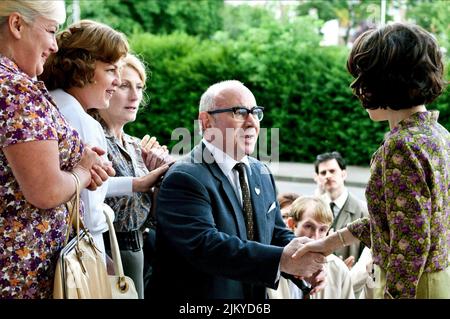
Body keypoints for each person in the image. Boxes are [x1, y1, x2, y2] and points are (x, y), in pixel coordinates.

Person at [293, 23, 449, 299]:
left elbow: (411, 241)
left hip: (412, 289)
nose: (358, 88)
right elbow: (396, 220)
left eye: (364, 77)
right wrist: (330, 242)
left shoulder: (401, 146)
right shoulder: (438, 135)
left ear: (385, 80)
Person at [151, 80, 326, 299]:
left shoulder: (260, 171)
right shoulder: (184, 177)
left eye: (255, 112)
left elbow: (274, 233)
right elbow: (207, 247)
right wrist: (282, 259)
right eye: (239, 112)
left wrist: (305, 260)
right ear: (206, 122)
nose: (252, 122)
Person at [0, 1, 111, 298]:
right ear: (16, 25)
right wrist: (83, 172)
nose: (53, 45)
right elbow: (45, 191)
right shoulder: (16, 89)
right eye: (50, 31)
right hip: (21, 278)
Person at [39, 20, 130, 260]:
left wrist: (137, 184)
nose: (118, 81)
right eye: (111, 70)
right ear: (82, 68)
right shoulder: (82, 122)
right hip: (83, 254)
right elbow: (89, 213)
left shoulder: (51, 102)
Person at [93, 53, 173, 299]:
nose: (136, 95)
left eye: (139, 87)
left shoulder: (137, 146)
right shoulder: (90, 137)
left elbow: (152, 218)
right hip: (106, 251)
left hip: (139, 251)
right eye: (124, 86)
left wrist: (159, 179)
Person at [270, 196, 355, 299]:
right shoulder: (275, 265)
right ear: (291, 224)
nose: (315, 237)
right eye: (308, 226)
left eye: (322, 230)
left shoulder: (338, 269)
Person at [314, 151, 368, 267]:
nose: (328, 176)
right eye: (323, 173)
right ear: (317, 178)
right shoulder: (313, 209)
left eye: (332, 171)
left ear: (343, 174)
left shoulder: (363, 210)